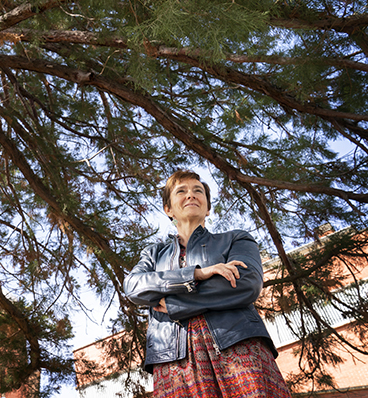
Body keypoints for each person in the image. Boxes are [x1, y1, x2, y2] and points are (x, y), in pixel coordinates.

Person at [124, 169, 291, 397]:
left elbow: (247, 283)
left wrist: (175, 306)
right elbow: (133, 287)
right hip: (173, 361)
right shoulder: (153, 254)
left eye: (198, 190)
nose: (191, 195)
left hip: (237, 343)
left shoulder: (235, 239)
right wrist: (197, 274)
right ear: (168, 209)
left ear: (208, 207)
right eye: (181, 191)